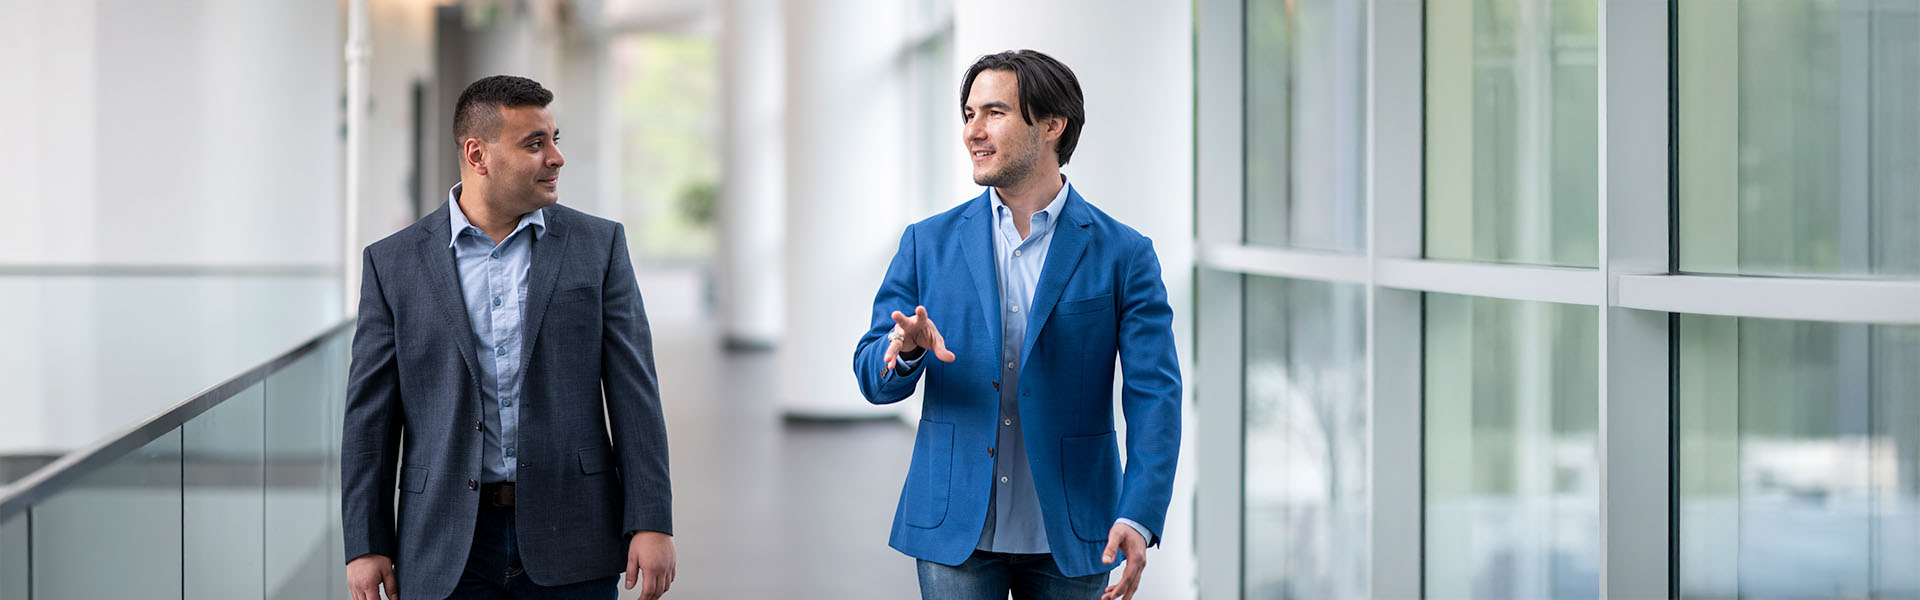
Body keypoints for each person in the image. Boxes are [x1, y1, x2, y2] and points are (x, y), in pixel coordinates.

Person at [852, 50, 1181, 600]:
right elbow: (871, 377)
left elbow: (1155, 396)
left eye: (994, 112)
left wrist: (1140, 513)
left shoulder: (1124, 253)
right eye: (968, 113)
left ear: (1053, 126)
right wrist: (903, 351)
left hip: (1074, 531)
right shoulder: (927, 244)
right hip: (955, 525)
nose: (973, 132)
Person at [342, 75, 675, 600]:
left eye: (555, 139)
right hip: (445, 542)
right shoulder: (393, 264)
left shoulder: (599, 246)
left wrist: (652, 520)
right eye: (535, 143)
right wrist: (365, 542)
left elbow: (636, 394)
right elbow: (370, 417)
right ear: (478, 155)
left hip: (574, 530)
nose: (556, 157)